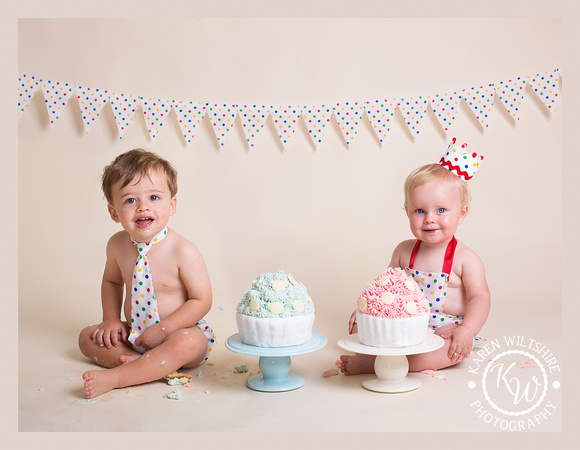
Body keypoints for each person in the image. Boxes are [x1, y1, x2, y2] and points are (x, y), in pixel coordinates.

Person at [340, 139, 490, 375]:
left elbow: (480, 297)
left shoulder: (465, 258)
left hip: (446, 329)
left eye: (441, 210)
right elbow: (385, 289)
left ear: (462, 214)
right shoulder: (404, 251)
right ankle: (383, 354)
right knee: (364, 326)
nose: (430, 218)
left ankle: (372, 365)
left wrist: (467, 331)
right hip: (406, 325)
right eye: (419, 211)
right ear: (408, 212)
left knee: (450, 352)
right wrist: (367, 310)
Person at [78, 149, 215, 398]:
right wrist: (110, 319)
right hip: (136, 335)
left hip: (177, 334)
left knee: (188, 342)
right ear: (114, 212)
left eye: (154, 197)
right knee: (87, 337)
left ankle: (120, 376)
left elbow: (202, 300)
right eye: (130, 200)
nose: (143, 207)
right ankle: (142, 365)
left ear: (171, 205)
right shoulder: (117, 245)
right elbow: (111, 281)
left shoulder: (183, 250)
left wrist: (162, 330)